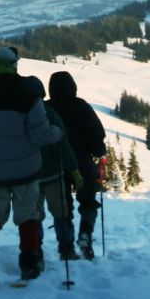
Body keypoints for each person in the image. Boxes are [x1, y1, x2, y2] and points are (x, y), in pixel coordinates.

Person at [0, 46, 64, 284]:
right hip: (25, 171)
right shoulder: (28, 98)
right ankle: (29, 263)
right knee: (28, 215)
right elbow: (41, 136)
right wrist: (57, 133)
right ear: (14, 67)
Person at [47, 70, 106, 259]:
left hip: (55, 165)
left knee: (62, 206)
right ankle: (85, 234)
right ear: (73, 87)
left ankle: (65, 246)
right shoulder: (81, 106)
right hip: (83, 162)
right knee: (88, 200)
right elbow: (97, 135)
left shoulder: (45, 108)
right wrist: (98, 151)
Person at [35, 79, 82, 261]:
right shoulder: (50, 114)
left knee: (34, 216)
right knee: (62, 213)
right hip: (54, 174)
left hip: (30, 176)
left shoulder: (20, 115)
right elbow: (63, 145)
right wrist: (75, 170)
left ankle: (35, 250)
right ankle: (66, 248)